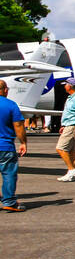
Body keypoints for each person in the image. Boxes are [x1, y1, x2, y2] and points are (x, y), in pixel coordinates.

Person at [0, 79, 28, 212]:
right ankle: (9, 202)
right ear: (5, 90)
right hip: (5, 146)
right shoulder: (11, 105)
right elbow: (18, 126)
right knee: (9, 174)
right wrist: (23, 142)